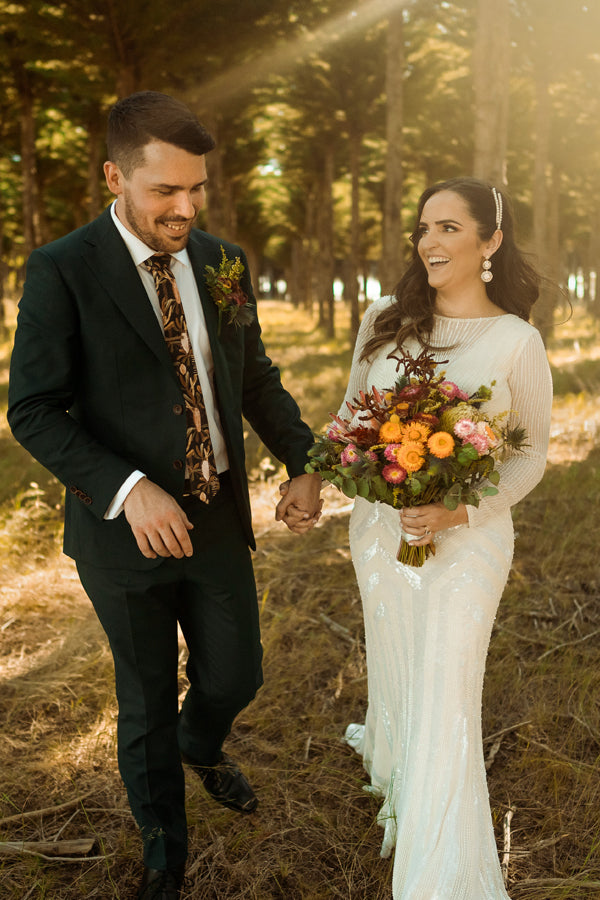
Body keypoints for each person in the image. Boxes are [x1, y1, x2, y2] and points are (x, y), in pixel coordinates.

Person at [7, 91, 321, 900]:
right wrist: (129, 488)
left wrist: (303, 459)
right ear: (115, 177)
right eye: (164, 191)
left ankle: (202, 742)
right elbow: (32, 409)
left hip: (215, 515)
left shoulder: (223, 262)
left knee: (237, 674)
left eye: (196, 189)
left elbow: (254, 377)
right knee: (144, 700)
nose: (185, 208)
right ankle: (163, 854)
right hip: (122, 534)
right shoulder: (60, 268)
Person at [339, 177, 552, 898]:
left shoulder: (516, 340)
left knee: (447, 690)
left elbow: (529, 455)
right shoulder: (383, 319)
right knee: (398, 662)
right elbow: (350, 417)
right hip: (381, 532)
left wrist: (456, 513)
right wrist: (341, 474)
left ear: (491, 241)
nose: (429, 241)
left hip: (470, 540)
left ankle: (440, 873)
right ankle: (402, 785)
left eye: (450, 228)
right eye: (424, 227)